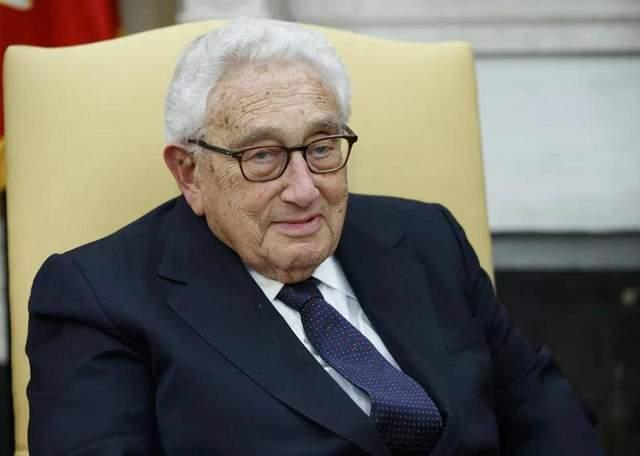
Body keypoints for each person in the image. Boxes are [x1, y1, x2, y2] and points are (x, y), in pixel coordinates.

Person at [26, 18, 603, 455]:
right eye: (262, 156)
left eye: (322, 147)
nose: (304, 190)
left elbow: (544, 414)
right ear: (190, 174)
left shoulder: (427, 238)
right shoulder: (98, 298)